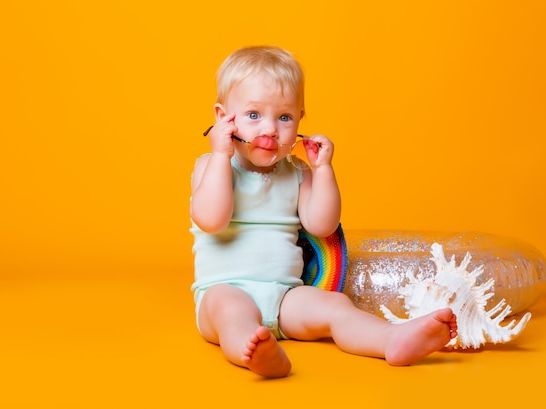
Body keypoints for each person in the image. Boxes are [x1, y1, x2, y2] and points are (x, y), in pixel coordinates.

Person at [189, 45, 457, 378]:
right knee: (232, 312)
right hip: (224, 290)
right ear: (222, 118)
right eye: (254, 115)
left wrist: (323, 170)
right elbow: (212, 220)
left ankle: (390, 339)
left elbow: (322, 224)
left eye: (284, 117)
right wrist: (218, 155)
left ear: (300, 119)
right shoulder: (210, 168)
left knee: (336, 306)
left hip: (285, 297)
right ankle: (255, 352)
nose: (270, 129)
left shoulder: (298, 173)